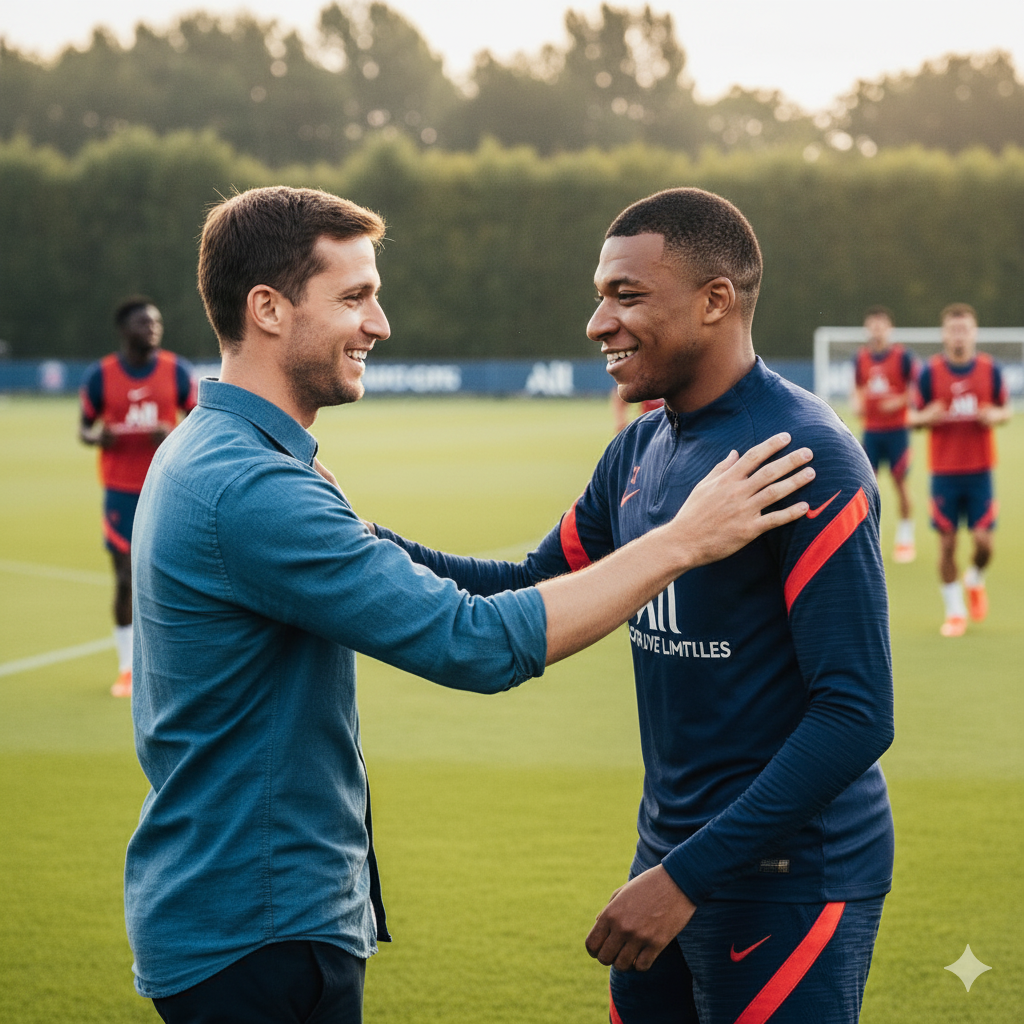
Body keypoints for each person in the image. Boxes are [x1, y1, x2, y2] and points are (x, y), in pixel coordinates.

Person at [125, 185, 814, 1024]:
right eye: (355, 298)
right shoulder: (250, 487)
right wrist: (683, 540)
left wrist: (368, 535)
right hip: (257, 937)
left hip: (234, 913)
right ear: (267, 309)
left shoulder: (213, 450)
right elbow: (475, 642)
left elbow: (510, 578)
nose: (379, 325)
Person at [376, 188, 895, 1024]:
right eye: (599, 296)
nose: (597, 322)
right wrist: (355, 538)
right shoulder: (640, 449)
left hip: (784, 879)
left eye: (626, 295)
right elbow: (528, 589)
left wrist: (686, 876)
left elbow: (857, 714)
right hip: (669, 862)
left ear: (715, 300)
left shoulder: (802, 458)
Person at [78, 297, 196, 697]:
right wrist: (99, 437)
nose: (153, 328)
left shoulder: (176, 371)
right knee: (125, 579)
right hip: (121, 495)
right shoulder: (102, 376)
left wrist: (173, 432)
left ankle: (174, 664)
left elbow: (200, 422)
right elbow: (83, 428)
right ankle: (128, 669)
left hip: (167, 488)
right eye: (144, 323)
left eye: (157, 322)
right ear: (124, 329)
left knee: (175, 577)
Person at [910, 303, 1011, 637]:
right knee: (948, 545)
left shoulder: (989, 370)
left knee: (984, 543)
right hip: (944, 474)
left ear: (974, 332)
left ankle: (975, 579)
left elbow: (1005, 410)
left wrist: (993, 416)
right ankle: (955, 612)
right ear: (944, 334)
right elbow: (912, 417)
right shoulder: (930, 373)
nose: (959, 335)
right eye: (953, 329)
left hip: (980, 471)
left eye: (964, 329)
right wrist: (929, 416)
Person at [852, 306, 917, 562]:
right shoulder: (861, 358)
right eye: (872, 326)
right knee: (867, 485)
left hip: (897, 431)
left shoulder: (903, 357)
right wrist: (857, 402)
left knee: (900, 483)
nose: (876, 331)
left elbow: (916, 390)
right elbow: (858, 386)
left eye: (881, 326)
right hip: (871, 431)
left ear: (889, 328)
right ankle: (870, 536)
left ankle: (905, 536)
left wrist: (899, 401)